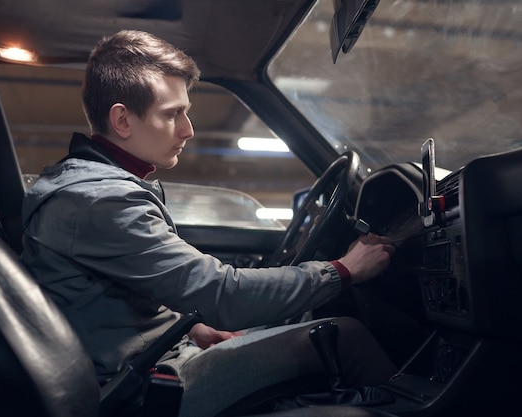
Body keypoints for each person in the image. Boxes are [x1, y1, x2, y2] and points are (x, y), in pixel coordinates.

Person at [20, 29, 397, 417]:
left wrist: (188, 325)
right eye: (172, 114)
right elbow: (221, 293)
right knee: (344, 338)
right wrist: (341, 271)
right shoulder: (103, 201)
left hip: (147, 361)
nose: (188, 129)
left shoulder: (89, 186)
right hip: (140, 392)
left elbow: (116, 299)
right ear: (122, 119)